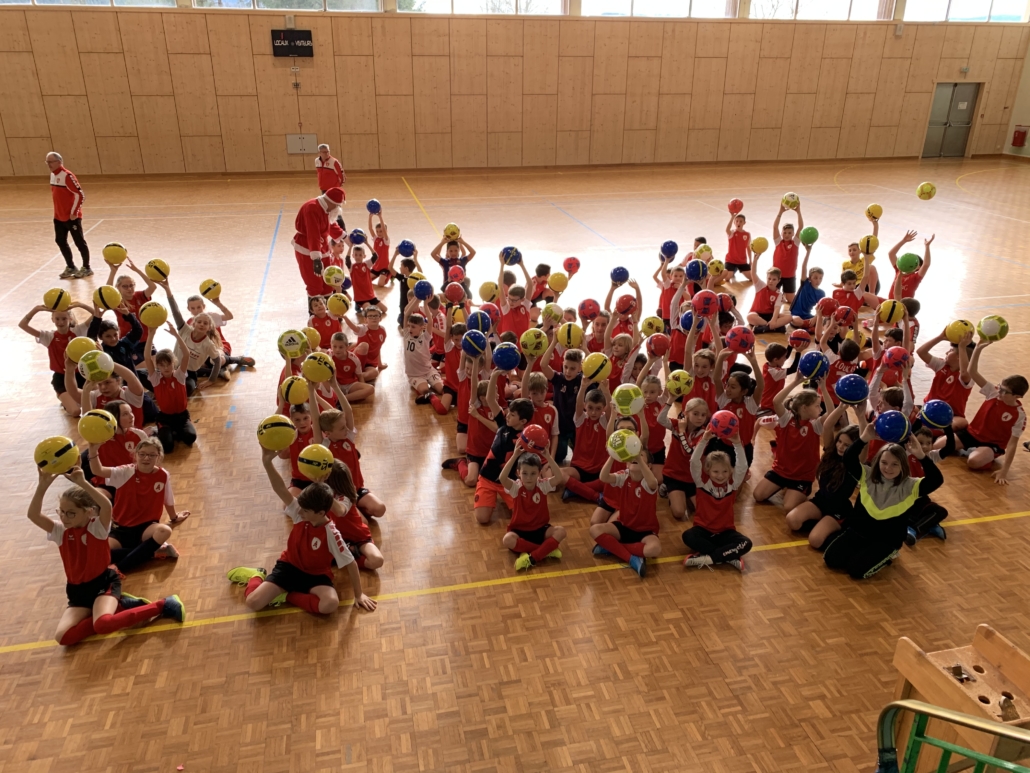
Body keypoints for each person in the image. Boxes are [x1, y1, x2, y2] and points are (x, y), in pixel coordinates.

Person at [27, 467, 184, 646]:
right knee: (63, 637)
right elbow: (33, 515)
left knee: (103, 624)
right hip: (77, 592)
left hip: (103, 583)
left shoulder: (97, 528)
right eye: (61, 512)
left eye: (71, 513)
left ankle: (163, 605)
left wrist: (83, 482)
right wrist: (42, 486)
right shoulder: (60, 531)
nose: (64, 517)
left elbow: (106, 506)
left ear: (88, 512)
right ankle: (120, 606)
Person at [227, 448, 377, 616]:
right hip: (289, 568)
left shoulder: (331, 533)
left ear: (320, 513)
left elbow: (351, 563)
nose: (299, 511)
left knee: (330, 604)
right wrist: (267, 462)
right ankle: (257, 575)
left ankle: (287, 595)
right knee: (253, 602)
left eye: (305, 510)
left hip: (316, 576)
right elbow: (280, 489)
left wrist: (359, 594)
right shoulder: (300, 513)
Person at [823, 422, 943, 579]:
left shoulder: (910, 486)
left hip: (885, 540)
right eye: (884, 463)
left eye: (895, 464)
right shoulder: (867, 475)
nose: (888, 468)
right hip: (859, 532)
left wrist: (921, 455)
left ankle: (887, 555)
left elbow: (936, 480)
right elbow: (849, 458)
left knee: (855, 571)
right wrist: (864, 438)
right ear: (878, 462)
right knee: (831, 559)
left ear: (903, 466)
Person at [86, 437, 188, 571]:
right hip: (120, 529)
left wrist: (174, 517)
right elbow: (98, 470)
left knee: (165, 530)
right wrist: (93, 451)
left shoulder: (163, 475)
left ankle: (119, 568)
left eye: (152, 455)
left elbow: (167, 499)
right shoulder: (125, 472)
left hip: (146, 528)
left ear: (158, 457)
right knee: (98, 555)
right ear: (135, 455)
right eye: (142, 454)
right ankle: (151, 551)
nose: (146, 458)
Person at [784, 400, 862, 549]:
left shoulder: (855, 464)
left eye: (847, 445)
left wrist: (861, 416)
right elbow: (827, 426)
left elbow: (864, 444)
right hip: (821, 501)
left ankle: (843, 529)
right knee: (792, 521)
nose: (840, 446)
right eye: (840, 441)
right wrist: (842, 407)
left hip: (838, 510)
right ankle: (822, 525)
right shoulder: (832, 453)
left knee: (815, 540)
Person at [752, 376, 829, 514]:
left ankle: (801, 489)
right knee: (758, 495)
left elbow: (831, 412)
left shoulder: (815, 425)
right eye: (817, 406)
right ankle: (785, 487)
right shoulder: (786, 419)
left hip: (802, 477)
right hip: (780, 471)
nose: (820, 409)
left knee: (788, 507)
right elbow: (776, 401)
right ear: (804, 408)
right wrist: (795, 382)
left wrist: (823, 388)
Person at [954, 340, 1026, 485]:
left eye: (1005, 391)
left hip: (992, 444)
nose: (1000, 391)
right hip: (972, 433)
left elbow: (1012, 444)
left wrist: (1004, 471)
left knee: (973, 462)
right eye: (1000, 387)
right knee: (938, 446)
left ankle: (987, 455)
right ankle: (970, 447)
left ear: (1017, 396)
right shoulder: (993, 392)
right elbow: (973, 372)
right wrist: (978, 349)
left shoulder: (1019, 415)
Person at [682, 428, 751, 570]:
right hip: (703, 530)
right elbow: (694, 461)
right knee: (688, 536)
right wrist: (704, 439)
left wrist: (737, 444)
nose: (720, 476)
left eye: (725, 471)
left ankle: (709, 558)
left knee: (746, 543)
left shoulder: (733, 484)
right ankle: (728, 556)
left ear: (730, 471)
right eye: (715, 471)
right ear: (707, 470)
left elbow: (742, 466)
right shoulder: (702, 482)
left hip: (725, 532)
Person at [473, 371, 535, 525]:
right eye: (509, 412)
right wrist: (494, 375)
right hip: (487, 477)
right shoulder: (502, 422)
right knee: (482, 519)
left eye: (512, 415)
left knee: (522, 517)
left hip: (508, 482)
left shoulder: (526, 439)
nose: (508, 415)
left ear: (523, 421)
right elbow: (490, 399)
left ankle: (502, 498)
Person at [590, 450, 661, 578]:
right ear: (627, 464)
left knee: (655, 549)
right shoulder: (624, 476)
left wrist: (638, 459)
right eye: (633, 456)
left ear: (649, 466)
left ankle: (613, 548)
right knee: (594, 529)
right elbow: (603, 477)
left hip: (645, 531)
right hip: (624, 526)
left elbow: (653, 483)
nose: (636, 457)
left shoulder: (648, 481)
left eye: (641, 455)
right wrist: (612, 456)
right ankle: (631, 558)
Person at [499, 444, 566, 571]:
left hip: (540, 529)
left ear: (539, 473)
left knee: (561, 531)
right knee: (507, 540)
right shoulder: (516, 487)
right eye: (525, 473)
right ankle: (545, 550)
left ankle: (532, 558)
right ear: (518, 473)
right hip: (520, 530)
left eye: (533, 473)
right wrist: (515, 455)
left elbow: (559, 477)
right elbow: (502, 478)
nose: (529, 477)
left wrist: (548, 456)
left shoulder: (542, 485)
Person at [20, 301, 92, 415]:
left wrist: (80, 305)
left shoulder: (78, 331)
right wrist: (36, 309)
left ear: (70, 319)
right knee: (75, 411)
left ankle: (72, 398)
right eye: (57, 319)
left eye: (64, 319)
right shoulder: (48, 336)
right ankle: (63, 397)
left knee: (95, 404)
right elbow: (22, 325)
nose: (60, 322)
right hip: (61, 378)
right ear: (52, 319)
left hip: (81, 375)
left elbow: (96, 314)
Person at [144, 322, 196, 453]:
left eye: (168, 364)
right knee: (167, 447)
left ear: (174, 364)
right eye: (162, 365)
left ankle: (175, 431)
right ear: (158, 366)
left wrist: (176, 335)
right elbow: (147, 358)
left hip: (182, 416)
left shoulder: (179, 375)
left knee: (191, 438)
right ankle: (162, 429)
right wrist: (151, 335)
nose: (166, 368)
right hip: (166, 418)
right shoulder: (156, 379)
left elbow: (186, 354)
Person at [658, 396, 710, 520]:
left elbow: (688, 452)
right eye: (695, 414)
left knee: (702, 511)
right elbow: (660, 419)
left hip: (692, 477)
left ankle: (681, 496)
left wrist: (681, 432)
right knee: (679, 513)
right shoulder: (677, 424)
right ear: (686, 413)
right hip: (673, 475)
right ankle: (669, 490)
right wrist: (670, 400)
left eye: (703, 415)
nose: (700, 418)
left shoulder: (704, 434)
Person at [293, 188, 346, 301]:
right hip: (307, 248)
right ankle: (315, 310)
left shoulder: (326, 208)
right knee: (314, 284)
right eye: (337, 205)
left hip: (322, 246)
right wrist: (316, 259)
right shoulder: (312, 208)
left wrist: (347, 239)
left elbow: (330, 224)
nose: (338, 208)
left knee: (328, 282)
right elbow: (313, 234)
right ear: (331, 202)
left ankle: (328, 309)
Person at [916, 329, 978, 426]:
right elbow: (921, 352)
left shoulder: (968, 376)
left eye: (951, 350)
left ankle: (938, 428)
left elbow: (964, 373)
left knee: (962, 422)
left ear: (959, 356)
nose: (946, 352)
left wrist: (962, 347)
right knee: (911, 410)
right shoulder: (941, 365)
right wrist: (940, 338)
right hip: (929, 409)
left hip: (951, 415)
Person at [47, 152, 92, 279]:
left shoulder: (67, 176)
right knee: (60, 240)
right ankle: (71, 266)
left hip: (71, 217)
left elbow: (80, 195)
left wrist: (74, 212)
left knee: (79, 242)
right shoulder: (52, 175)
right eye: (47, 162)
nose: (48, 164)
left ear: (59, 162)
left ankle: (86, 267)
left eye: (51, 162)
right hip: (58, 216)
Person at [402, 296, 447, 413]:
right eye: (409, 326)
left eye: (413, 326)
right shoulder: (406, 335)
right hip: (415, 375)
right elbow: (406, 314)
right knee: (425, 390)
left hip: (428, 370)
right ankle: (431, 398)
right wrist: (417, 298)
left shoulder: (426, 337)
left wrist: (425, 304)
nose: (410, 328)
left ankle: (448, 392)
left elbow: (430, 321)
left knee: (441, 389)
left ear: (422, 327)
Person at [747, 250, 791, 333]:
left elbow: (777, 309)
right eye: (769, 279)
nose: (771, 281)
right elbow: (753, 273)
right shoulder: (760, 286)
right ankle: (774, 327)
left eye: (774, 279)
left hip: (770, 315)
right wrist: (755, 260)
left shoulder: (779, 294)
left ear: (778, 280)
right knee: (750, 316)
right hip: (757, 314)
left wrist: (774, 320)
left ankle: (764, 328)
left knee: (789, 317)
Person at [772, 199, 803, 302]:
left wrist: (798, 212)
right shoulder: (778, 242)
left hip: (790, 276)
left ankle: (784, 294)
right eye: (785, 232)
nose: (787, 235)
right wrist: (780, 212)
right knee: (772, 299)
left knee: (791, 301)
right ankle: (780, 294)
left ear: (793, 234)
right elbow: (775, 227)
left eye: (789, 233)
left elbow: (801, 227)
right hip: (777, 275)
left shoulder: (795, 243)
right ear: (782, 233)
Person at [886, 231, 932, 299]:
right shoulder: (899, 270)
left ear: (918, 267)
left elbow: (926, 264)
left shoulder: (915, 277)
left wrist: (927, 247)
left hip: (904, 305)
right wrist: (903, 241)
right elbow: (891, 254)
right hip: (889, 302)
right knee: (868, 296)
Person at [789, 244, 824, 330]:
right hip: (795, 315)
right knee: (796, 320)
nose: (818, 280)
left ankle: (807, 326)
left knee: (823, 320)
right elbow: (804, 267)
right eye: (815, 278)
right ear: (810, 278)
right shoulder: (805, 284)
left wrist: (815, 318)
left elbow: (821, 310)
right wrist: (808, 252)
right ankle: (808, 327)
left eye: (820, 278)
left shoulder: (821, 293)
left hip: (807, 316)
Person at [723, 211, 752, 282]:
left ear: (744, 223)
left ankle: (734, 269)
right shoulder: (732, 233)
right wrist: (732, 217)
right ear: (734, 223)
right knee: (727, 278)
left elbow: (748, 248)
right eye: (737, 221)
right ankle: (732, 270)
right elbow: (727, 229)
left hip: (742, 261)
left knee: (752, 278)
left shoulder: (747, 234)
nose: (738, 223)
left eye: (741, 221)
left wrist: (750, 260)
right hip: (730, 260)